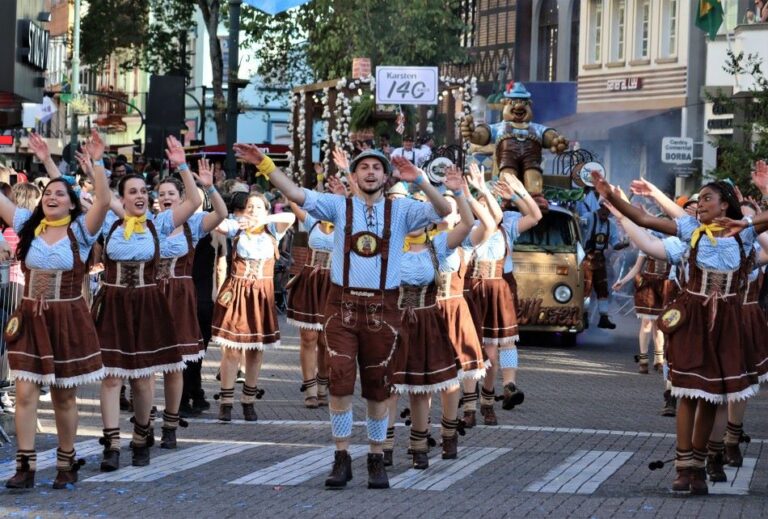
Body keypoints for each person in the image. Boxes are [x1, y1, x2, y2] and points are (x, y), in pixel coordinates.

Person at [238, 143, 450, 489]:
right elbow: (295, 193)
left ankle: (376, 457)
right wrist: (264, 163)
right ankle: (341, 456)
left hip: (384, 308)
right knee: (339, 379)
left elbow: (443, 210)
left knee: (379, 386)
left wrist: (420, 180)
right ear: (353, 176)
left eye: (376, 168)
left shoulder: (401, 210)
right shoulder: (339, 206)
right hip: (342, 306)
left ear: (386, 176)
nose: (370, 172)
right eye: (363, 167)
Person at [594, 171, 762, 496]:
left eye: (708, 198)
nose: (701, 204)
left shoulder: (744, 236)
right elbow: (644, 219)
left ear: (725, 205)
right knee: (687, 394)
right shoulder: (691, 230)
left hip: (727, 323)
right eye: (700, 199)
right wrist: (612, 196)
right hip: (693, 320)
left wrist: (747, 218)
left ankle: (698, 466)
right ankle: (683, 468)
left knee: (711, 396)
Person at [4, 130, 111, 490]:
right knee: (25, 393)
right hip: (30, 317)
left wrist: (97, 162)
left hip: (67, 318)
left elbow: (104, 200)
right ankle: (25, 466)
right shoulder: (28, 225)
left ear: (71, 203)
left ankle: (66, 461)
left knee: (64, 395)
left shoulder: (81, 231)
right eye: (47, 193)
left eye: (59, 194)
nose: (51, 197)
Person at [96, 136, 201, 471]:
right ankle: (112, 444)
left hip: (147, 303)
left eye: (144, 191)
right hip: (113, 303)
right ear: (122, 198)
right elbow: (101, 198)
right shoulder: (111, 223)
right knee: (111, 377)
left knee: (142, 378)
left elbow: (194, 200)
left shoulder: (159, 224)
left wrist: (182, 166)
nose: (140, 195)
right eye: (133, 191)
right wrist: (97, 163)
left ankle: (141, 436)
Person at [390, 166, 477, 468]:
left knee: (425, 386)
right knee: (390, 386)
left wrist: (459, 192)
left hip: (428, 320)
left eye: (417, 215)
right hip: (393, 322)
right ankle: (384, 446)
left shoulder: (437, 245)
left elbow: (468, 224)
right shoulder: (387, 248)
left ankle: (425, 444)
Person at [153, 158, 226, 446]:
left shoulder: (193, 224)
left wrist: (209, 188)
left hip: (181, 295)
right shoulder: (150, 223)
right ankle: (144, 417)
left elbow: (221, 214)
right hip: (153, 294)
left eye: (171, 193)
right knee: (147, 360)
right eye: (161, 194)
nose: (166, 198)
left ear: (182, 198)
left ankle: (171, 420)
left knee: (177, 360)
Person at [463, 167, 542, 425]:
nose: (488, 207)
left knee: (499, 347)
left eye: (492, 202)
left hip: (500, 286)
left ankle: (496, 394)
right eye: (483, 202)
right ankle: (471, 404)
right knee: (474, 350)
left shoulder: (507, 226)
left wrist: (518, 192)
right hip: (473, 289)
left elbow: (535, 215)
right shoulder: (469, 226)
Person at [212, 192, 295, 422]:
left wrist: (262, 219)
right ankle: (226, 402)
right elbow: (217, 223)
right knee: (232, 349)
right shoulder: (237, 227)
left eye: (258, 207)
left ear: (266, 210)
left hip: (261, 294)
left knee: (256, 350)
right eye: (249, 206)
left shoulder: (273, 230)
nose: (252, 210)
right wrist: (239, 220)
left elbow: (290, 217)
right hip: (237, 291)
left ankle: (248, 400)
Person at [287, 198, 333, 408]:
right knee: (308, 337)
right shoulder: (312, 221)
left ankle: (323, 384)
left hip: (332, 283)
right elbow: (293, 200)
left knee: (326, 340)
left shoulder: (345, 222)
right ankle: (310, 389)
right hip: (310, 282)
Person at [580, 201, 623, 329]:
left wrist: (625, 244)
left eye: (608, 210)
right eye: (604, 208)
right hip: (586, 257)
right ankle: (583, 316)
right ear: (600, 207)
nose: (605, 212)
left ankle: (603, 317)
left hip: (600, 259)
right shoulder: (588, 217)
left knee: (603, 288)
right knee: (586, 288)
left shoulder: (611, 225)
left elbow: (615, 244)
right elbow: (578, 226)